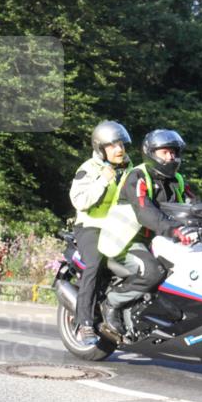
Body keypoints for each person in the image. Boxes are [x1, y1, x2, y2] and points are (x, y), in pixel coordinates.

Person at [97, 128, 198, 333]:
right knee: (153, 272)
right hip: (126, 241)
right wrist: (174, 230)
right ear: (151, 153)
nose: (171, 157)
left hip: (158, 241)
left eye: (173, 152)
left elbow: (195, 206)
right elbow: (145, 211)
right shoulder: (138, 176)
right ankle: (111, 304)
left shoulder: (177, 180)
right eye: (165, 152)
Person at [69, 120, 133, 346]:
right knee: (95, 263)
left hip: (121, 227)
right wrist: (103, 180)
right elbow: (79, 201)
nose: (120, 150)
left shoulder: (129, 168)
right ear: (100, 148)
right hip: (91, 226)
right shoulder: (88, 169)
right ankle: (84, 323)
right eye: (113, 145)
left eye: (122, 145)